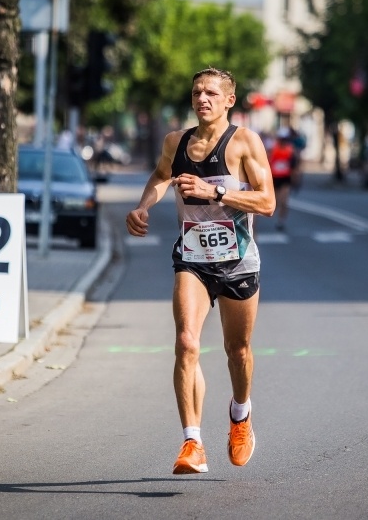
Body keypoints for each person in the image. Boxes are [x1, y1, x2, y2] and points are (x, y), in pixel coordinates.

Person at [126, 68, 275, 474]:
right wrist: (144, 206)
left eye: (211, 92)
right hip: (192, 258)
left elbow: (267, 202)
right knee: (186, 342)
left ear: (230, 100)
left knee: (237, 350)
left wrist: (216, 191)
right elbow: (160, 177)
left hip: (237, 260)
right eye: (196, 92)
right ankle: (192, 442)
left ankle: (241, 415)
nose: (202, 99)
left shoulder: (245, 142)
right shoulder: (176, 142)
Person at [268, 127, 298, 231]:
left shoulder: (290, 150)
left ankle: (281, 221)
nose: (283, 141)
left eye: (285, 139)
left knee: (284, 201)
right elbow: (267, 163)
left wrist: (295, 180)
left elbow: (294, 166)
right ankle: (276, 215)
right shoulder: (273, 149)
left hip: (285, 178)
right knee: (275, 202)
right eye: (281, 138)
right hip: (275, 178)